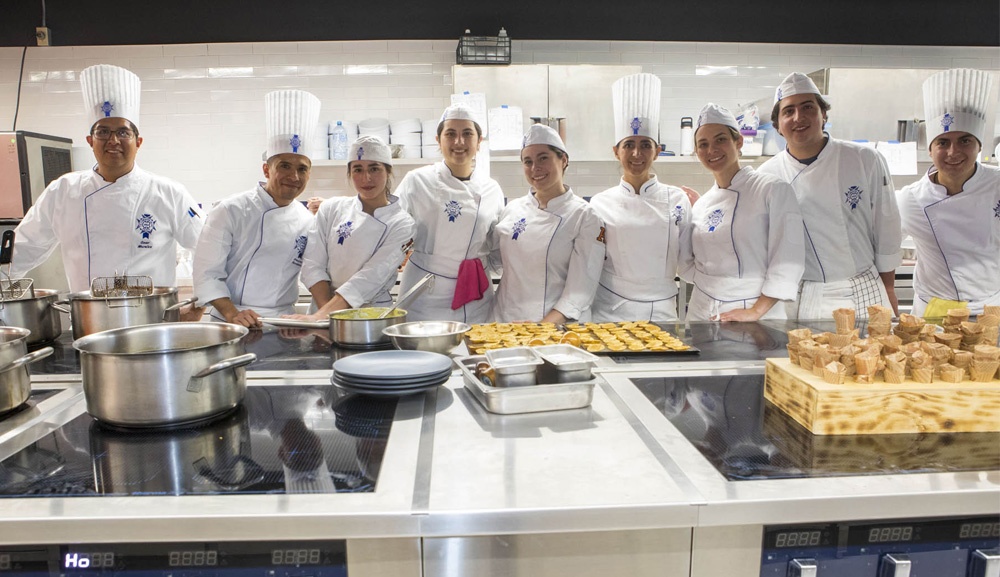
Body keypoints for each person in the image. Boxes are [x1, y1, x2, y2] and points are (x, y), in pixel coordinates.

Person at [10, 64, 204, 294]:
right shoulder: (62, 192)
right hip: (89, 321)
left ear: (138, 142)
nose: (113, 141)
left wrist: (202, 300)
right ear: (90, 141)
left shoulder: (168, 192)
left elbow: (209, 250)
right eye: (103, 132)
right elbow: (20, 251)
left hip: (154, 323)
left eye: (123, 132)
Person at [757, 72, 902, 320]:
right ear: (777, 125)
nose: (798, 117)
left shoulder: (863, 159)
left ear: (823, 115)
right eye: (788, 111)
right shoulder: (766, 176)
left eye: (807, 108)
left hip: (862, 291)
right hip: (802, 297)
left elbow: (886, 227)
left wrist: (889, 287)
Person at [193, 90, 320, 327]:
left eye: (302, 169)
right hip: (230, 323)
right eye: (284, 166)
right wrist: (232, 313)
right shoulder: (230, 210)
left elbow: (315, 272)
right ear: (266, 170)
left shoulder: (307, 220)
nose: (294, 176)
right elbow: (206, 274)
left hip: (283, 323)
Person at [679, 103, 805, 321]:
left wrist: (755, 311)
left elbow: (789, 257)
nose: (711, 150)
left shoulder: (772, 189)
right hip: (702, 310)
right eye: (703, 144)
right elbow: (688, 265)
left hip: (755, 312)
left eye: (720, 140)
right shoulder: (702, 204)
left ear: (738, 142)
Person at [590, 73, 694, 322]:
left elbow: (689, 261)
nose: (637, 153)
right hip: (610, 310)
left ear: (657, 151)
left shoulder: (678, 200)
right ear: (616, 152)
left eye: (646, 145)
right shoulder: (599, 204)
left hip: (662, 311)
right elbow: (590, 262)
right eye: (628, 145)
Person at [896, 68, 999, 317]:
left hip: (992, 309)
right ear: (930, 150)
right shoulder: (910, 199)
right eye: (943, 142)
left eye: (965, 141)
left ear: (978, 147)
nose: (953, 152)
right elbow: (882, 252)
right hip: (935, 312)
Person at [395, 104, 505, 323]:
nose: (459, 142)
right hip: (424, 294)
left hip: (475, 297)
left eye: (467, 134)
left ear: (479, 141)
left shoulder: (491, 189)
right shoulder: (417, 181)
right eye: (450, 134)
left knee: (474, 352)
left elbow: (497, 246)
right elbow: (391, 227)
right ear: (438, 141)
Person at [490, 124, 605, 323]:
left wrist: (542, 328)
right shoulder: (512, 210)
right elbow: (494, 263)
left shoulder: (585, 216)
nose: (535, 168)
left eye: (543, 158)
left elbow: (580, 292)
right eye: (528, 161)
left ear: (564, 160)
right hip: (505, 324)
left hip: (556, 329)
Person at [292, 136, 415, 319]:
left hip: (370, 318)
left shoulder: (402, 223)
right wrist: (327, 317)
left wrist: (326, 317)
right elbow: (312, 265)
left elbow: (371, 277)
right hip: (321, 309)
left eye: (374, 169)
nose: (366, 178)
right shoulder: (331, 208)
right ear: (349, 173)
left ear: (388, 172)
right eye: (358, 169)